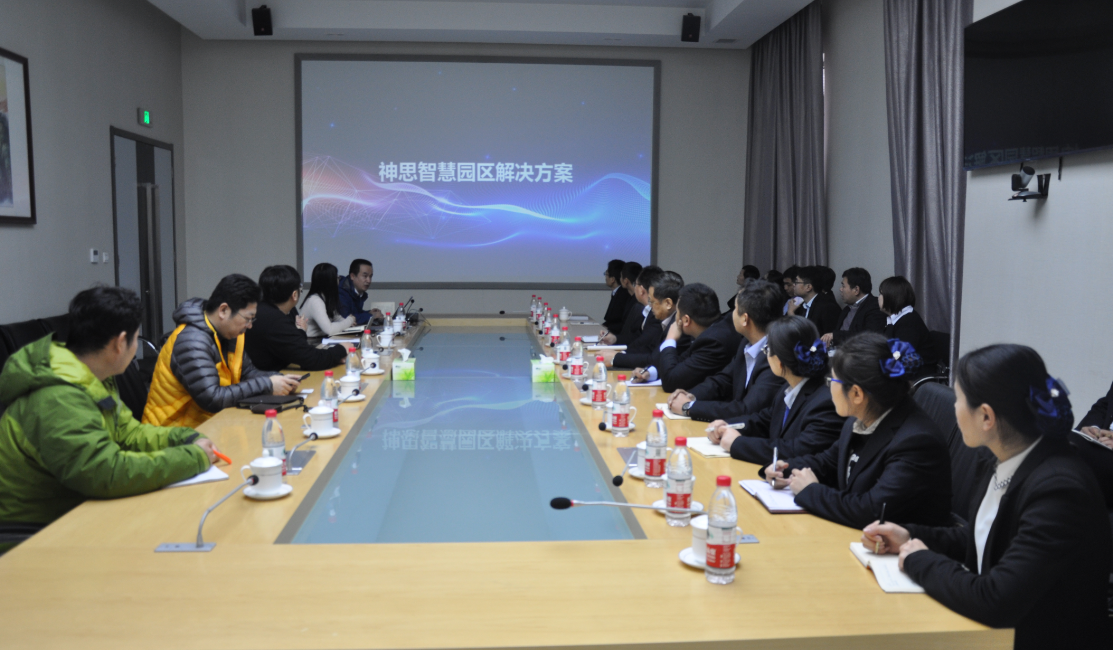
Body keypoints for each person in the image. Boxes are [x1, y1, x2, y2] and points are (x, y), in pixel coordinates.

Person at [862, 345, 1112, 649]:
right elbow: (984, 539)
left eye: (958, 399)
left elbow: (996, 599)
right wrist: (910, 536)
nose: (953, 408)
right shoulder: (1000, 458)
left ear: (986, 417)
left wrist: (919, 560)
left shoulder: (1059, 490)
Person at [0, 287, 216, 552]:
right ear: (120, 343)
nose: (135, 348)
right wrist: (193, 458)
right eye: (136, 340)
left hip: (78, 511)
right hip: (33, 535)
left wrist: (184, 437)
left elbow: (129, 433)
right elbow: (105, 473)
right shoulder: (59, 396)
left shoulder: (90, 375)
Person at [763, 332, 952, 529]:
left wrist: (810, 490)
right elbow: (827, 462)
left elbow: (870, 510)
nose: (829, 388)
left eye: (832, 381)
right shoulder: (861, 418)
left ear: (856, 393)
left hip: (896, 545)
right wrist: (784, 470)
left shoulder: (916, 442)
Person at [144, 274, 301, 428]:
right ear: (223, 310)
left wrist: (280, 380)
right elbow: (212, 398)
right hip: (172, 432)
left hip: (211, 423)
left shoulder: (228, 333)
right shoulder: (192, 341)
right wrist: (267, 384)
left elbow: (247, 372)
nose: (250, 325)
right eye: (248, 318)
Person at [705, 316, 845, 464]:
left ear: (780, 362)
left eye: (767, 349)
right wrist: (726, 425)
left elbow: (795, 450)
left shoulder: (826, 402)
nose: (765, 355)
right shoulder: (790, 386)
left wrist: (737, 443)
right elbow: (764, 420)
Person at [667, 280, 786, 422]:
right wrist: (691, 396)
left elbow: (746, 410)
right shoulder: (747, 343)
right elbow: (723, 380)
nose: (731, 314)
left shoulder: (776, 356)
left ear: (745, 319)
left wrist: (689, 407)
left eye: (735, 309)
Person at [632, 283, 741, 393]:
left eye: (677, 312)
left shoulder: (714, 342)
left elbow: (671, 382)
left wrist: (670, 340)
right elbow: (681, 364)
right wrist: (650, 373)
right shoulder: (712, 331)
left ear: (686, 320)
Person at [244, 265, 348, 372]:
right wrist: (342, 349)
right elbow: (312, 360)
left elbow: (294, 346)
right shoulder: (275, 320)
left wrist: (301, 332)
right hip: (267, 376)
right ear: (294, 295)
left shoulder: (261, 309)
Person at [606, 266, 665, 369]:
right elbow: (636, 337)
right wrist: (615, 339)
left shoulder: (657, 315)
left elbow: (644, 346)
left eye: (635, 285)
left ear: (641, 290)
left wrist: (617, 356)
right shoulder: (645, 310)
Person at [878, 275, 937, 369]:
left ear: (891, 296)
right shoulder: (894, 319)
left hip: (916, 373)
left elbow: (899, 356)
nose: (878, 298)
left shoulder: (909, 322)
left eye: (881, 294)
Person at [821, 267, 886, 347]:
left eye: (843, 286)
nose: (841, 289)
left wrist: (836, 336)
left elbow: (869, 336)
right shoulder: (846, 309)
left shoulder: (875, 307)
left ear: (856, 290)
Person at [301, 262, 356, 343]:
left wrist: (348, 322)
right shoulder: (315, 301)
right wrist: (350, 320)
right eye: (337, 277)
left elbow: (337, 318)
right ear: (330, 281)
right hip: (311, 343)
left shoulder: (326, 298)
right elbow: (329, 329)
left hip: (320, 340)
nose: (338, 281)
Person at [600, 261, 643, 346]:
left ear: (626, 281)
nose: (619, 279)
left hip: (627, 344)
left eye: (621, 277)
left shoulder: (635, 301)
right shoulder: (630, 297)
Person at [790, 266, 840, 335]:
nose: (793, 285)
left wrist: (791, 312)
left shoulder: (827, 307)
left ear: (808, 287)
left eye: (796, 282)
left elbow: (828, 337)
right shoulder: (802, 305)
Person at [338, 258, 382, 326]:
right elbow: (346, 318)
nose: (369, 281)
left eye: (370, 276)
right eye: (365, 276)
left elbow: (355, 313)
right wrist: (371, 316)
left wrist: (369, 313)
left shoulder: (358, 292)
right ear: (352, 276)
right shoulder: (341, 292)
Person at [601, 259, 629, 335]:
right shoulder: (617, 292)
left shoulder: (623, 294)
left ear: (613, 279)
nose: (605, 278)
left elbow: (619, 321)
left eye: (606, 274)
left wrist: (606, 328)